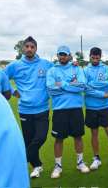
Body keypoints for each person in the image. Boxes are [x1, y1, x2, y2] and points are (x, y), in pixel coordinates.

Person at [5, 36, 53, 178]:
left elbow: (59, 70)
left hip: (42, 108)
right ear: (23, 48)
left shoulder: (45, 64)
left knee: (41, 137)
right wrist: (13, 91)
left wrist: (72, 64)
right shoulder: (15, 65)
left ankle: (21, 160)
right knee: (28, 140)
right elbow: (2, 78)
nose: (29, 49)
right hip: (25, 110)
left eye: (32, 47)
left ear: (36, 49)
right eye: (27, 47)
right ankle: (37, 166)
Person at [46, 45, 90, 178]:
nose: (62, 56)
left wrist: (63, 85)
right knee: (59, 139)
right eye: (60, 54)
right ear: (57, 55)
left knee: (78, 136)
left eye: (65, 54)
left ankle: (80, 162)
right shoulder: (52, 71)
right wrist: (72, 84)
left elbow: (82, 86)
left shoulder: (76, 68)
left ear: (69, 55)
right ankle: (58, 166)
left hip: (75, 108)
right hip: (60, 110)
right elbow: (51, 89)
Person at [84, 47, 108, 170]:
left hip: (104, 107)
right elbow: (85, 88)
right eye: (93, 57)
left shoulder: (106, 68)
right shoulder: (85, 70)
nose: (95, 59)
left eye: (97, 57)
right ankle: (96, 158)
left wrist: (91, 84)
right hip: (91, 107)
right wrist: (100, 93)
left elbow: (106, 83)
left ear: (100, 56)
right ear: (90, 56)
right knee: (94, 133)